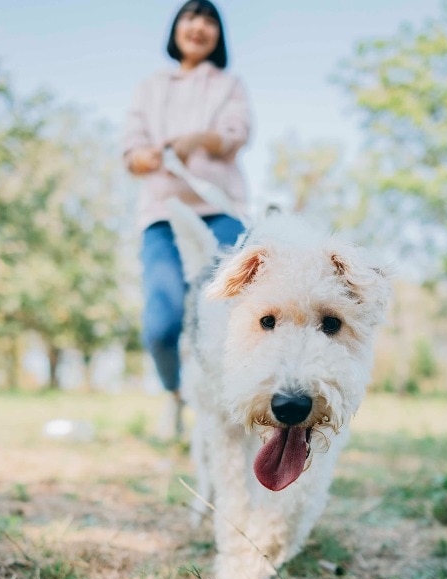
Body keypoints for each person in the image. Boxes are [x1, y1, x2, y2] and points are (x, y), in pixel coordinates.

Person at [122, 0, 251, 438]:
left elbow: (237, 136)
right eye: (191, 17)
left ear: (219, 34)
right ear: (177, 28)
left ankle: (230, 405)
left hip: (221, 214)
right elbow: (131, 153)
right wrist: (146, 155)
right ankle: (174, 394)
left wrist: (196, 139)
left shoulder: (229, 85)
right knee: (162, 324)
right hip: (163, 217)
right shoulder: (150, 87)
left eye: (210, 19)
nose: (199, 26)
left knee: (226, 314)